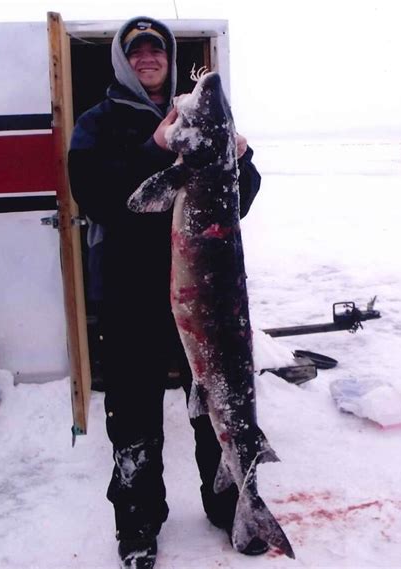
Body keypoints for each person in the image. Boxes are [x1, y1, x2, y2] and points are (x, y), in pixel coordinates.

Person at [68, 16, 263, 569]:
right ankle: (138, 525)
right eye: (137, 51)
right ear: (122, 60)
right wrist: (156, 147)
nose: (148, 58)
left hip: (204, 298)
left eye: (156, 50)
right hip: (130, 295)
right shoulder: (97, 123)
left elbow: (239, 198)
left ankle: (231, 504)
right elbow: (98, 195)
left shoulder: (197, 121)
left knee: (211, 403)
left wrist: (240, 156)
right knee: (133, 416)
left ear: (169, 58)